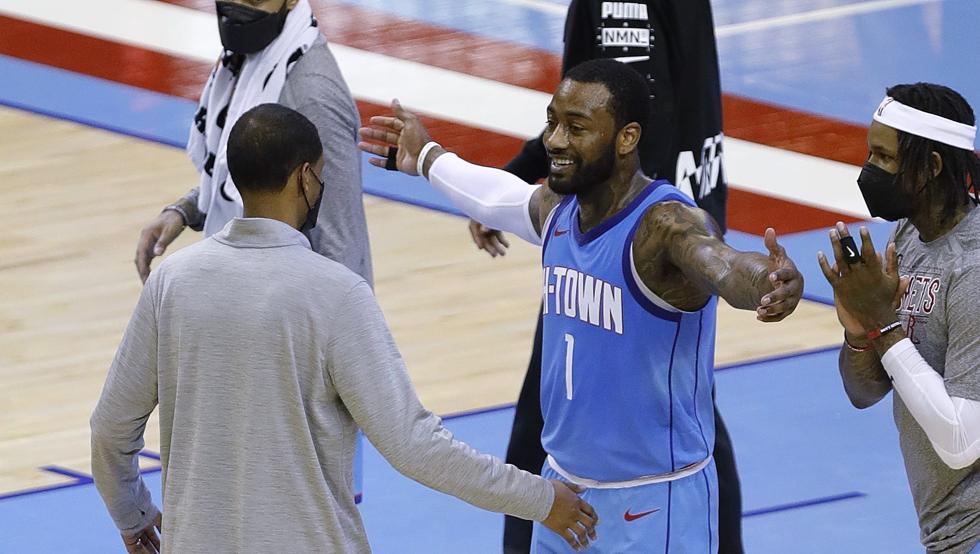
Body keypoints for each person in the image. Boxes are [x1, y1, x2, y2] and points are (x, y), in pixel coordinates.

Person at [90, 104, 599, 554]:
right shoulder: (337, 293)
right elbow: (414, 446)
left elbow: (110, 430)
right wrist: (538, 498)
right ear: (305, 178)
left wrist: (133, 518)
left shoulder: (171, 283)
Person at [360, 59, 803, 552]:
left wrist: (769, 280)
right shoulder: (559, 212)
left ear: (626, 138)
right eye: (551, 121)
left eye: (576, 128)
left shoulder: (665, 226)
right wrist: (425, 156)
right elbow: (494, 196)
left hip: (656, 504)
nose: (553, 140)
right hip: (562, 494)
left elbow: (722, 265)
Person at [465, 2, 740, 551]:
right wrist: (518, 177)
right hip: (635, 214)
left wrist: (653, 221)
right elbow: (577, 108)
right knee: (677, 412)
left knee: (565, 414)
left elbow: (641, 114)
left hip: (636, 230)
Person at [818, 83, 980, 554]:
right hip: (947, 531)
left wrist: (884, 327)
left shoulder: (972, 268)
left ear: (930, 167)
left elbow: (961, 439)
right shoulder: (906, 237)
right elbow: (864, 393)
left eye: (885, 159)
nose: (869, 171)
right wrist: (859, 331)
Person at [134, 0, 372, 286]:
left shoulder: (313, 98)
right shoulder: (252, 58)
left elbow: (342, 251)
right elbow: (254, 179)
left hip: (288, 310)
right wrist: (184, 210)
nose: (236, 5)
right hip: (247, 288)